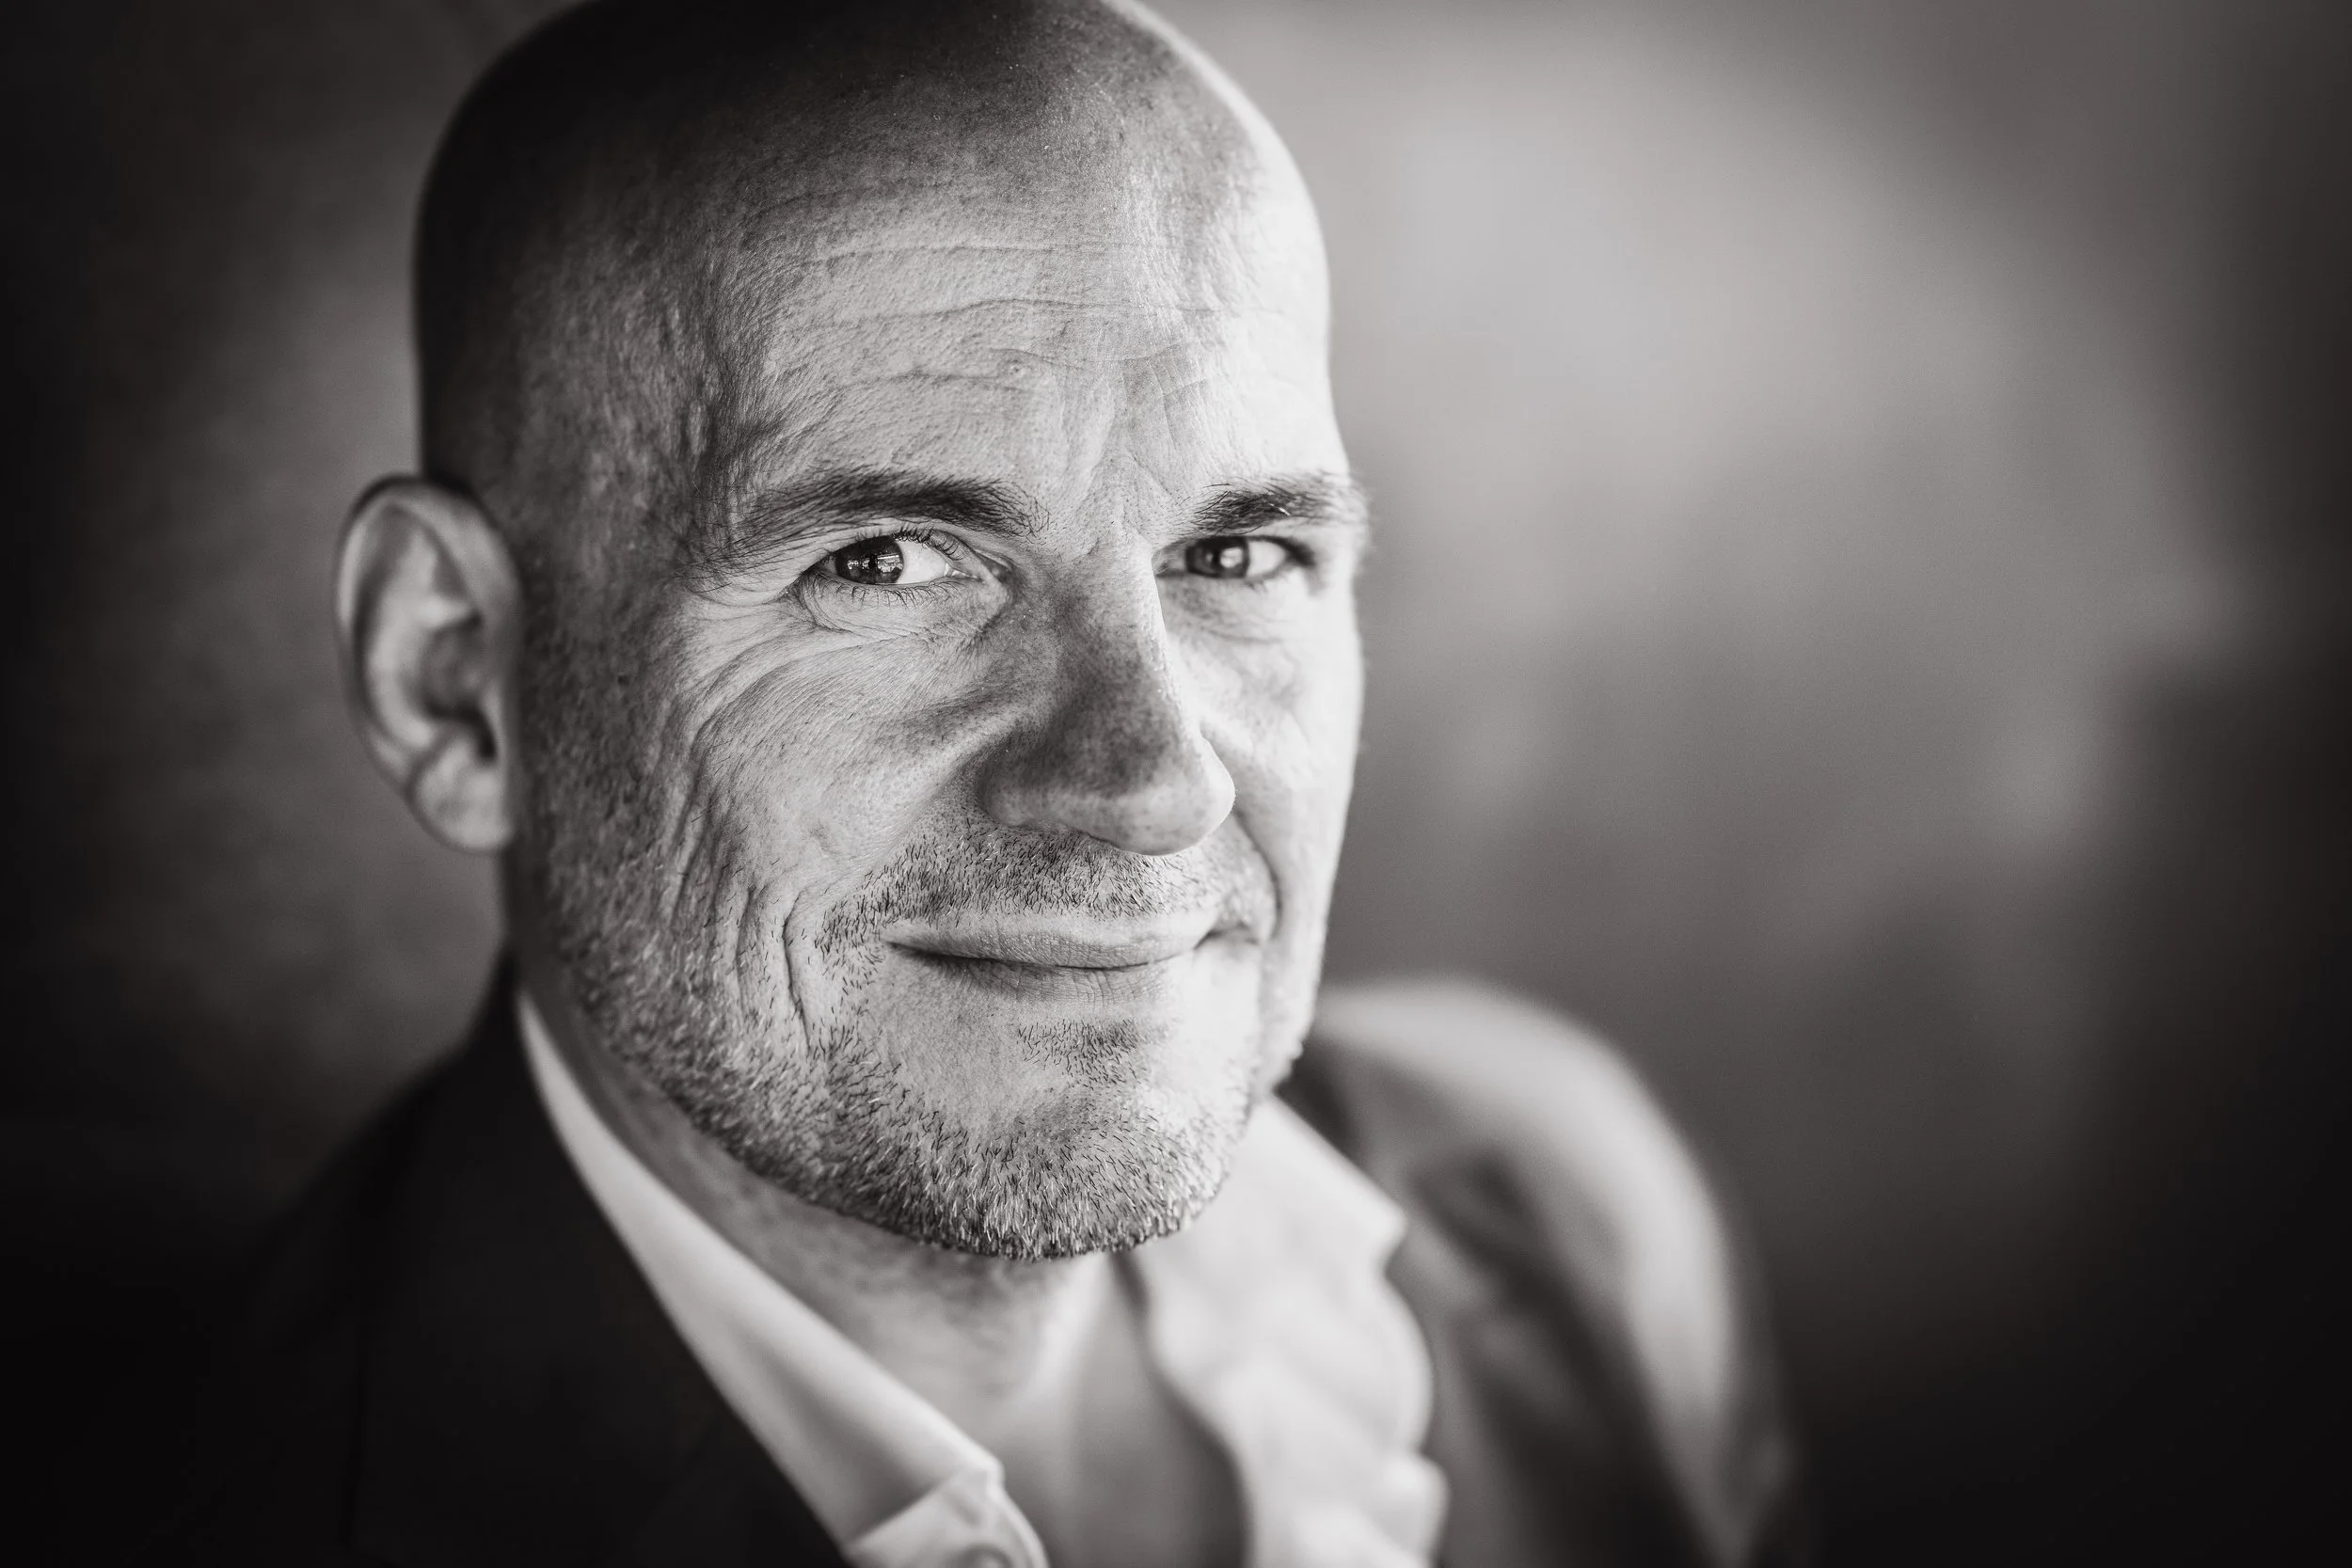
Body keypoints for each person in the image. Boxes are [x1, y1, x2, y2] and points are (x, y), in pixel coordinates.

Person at [180, 2, 1803, 1563]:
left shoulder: (1579, 1215)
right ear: (453, 677)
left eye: (1239, 552)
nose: (1151, 785)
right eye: (887, 564)